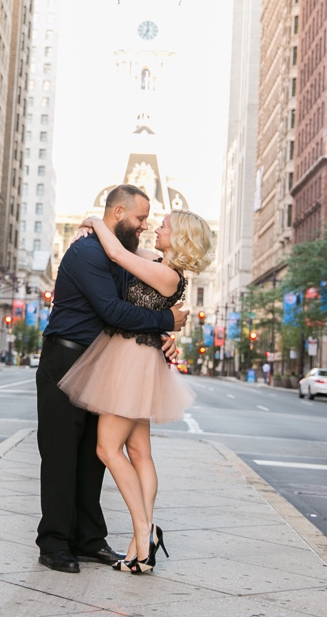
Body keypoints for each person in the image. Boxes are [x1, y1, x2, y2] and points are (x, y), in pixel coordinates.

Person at [36, 184, 188, 574]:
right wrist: (165, 322)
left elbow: (141, 293)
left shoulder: (116, 253)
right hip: (66, 359)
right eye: (139, 218)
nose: (144, 226)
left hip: (102, 364)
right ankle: (54, 543)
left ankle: (88, 539)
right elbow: (112, 310)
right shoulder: (87, 252)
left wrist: (162, 337)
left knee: (93, 457)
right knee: (60, 455)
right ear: (118, 213)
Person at [59, 207, 214, 575]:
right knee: (139, 451)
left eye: (164, 226)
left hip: (131, 359)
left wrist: (95, 221)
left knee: (106, 448)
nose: (156, 228)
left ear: (179, 238)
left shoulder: (165, 274)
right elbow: (117, 247)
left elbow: (116, 253)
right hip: (140, 359)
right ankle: (140, 541)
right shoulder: (160, 263)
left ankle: (143, 532)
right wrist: (93, 230)